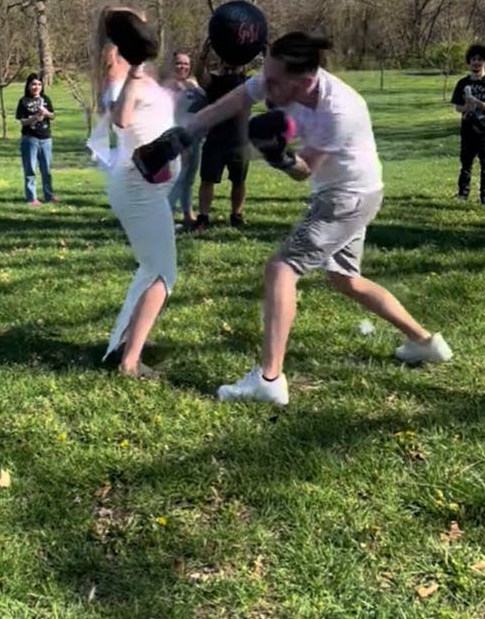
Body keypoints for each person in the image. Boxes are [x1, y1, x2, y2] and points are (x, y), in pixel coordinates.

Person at [181, 31, 452, 405]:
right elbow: (238, 97)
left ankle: (269, 379)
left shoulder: (338, 110)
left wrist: (279, 156)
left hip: (346, 197)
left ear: (304, 80)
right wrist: (187, 131)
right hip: (355, 192)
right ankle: (426, 343)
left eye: (274, 81)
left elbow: (304, 170)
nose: (266, 86)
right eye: (266, 75)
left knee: (282, 268)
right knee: (346, 280)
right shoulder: (279, 79)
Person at [94, 7, 179, 379]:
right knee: (163, 274)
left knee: (152, 268)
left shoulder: (142, 75)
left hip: (151, 185)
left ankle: (126, 345)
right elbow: (122, 119)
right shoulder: (120, 78)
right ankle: (130, 362)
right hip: (137, 183)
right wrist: (136, 70)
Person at [193, 54, 250, 231]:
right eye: (227, 62)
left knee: (239, 181)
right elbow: (199, 75)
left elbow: (269, 79)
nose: (230, 65)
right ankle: (203, 217)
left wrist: (266, 52)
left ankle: (236, 215)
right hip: (215, 139)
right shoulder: (214, 82)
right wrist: (202, 56)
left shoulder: (248, 83)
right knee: (207, 179)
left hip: (239, 140)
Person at [164, 51, 206, 229]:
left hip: (195, 138)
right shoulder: (167, 88)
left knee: (189, 179)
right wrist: (180, 145)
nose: (183, 67)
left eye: (186, 64)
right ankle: (166, 219)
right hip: (177, 140)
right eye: (179, 63)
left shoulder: (194, 85)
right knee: (176, 180)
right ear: (172, 65)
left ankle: (188, 214)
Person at [450, 43, 485, 203]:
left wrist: (477, 102)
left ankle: (484, 197)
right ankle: (463, 195)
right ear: (469, 62)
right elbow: (457, 106)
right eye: (473, 59)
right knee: (466, 164)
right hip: (467, 131)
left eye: (480, 59)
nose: (476, 62)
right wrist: (466, 106)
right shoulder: (462, 83)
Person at [15, 73, 57, 207]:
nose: (36, 87)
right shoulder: (23, 101)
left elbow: (52, 116)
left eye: (39, 84)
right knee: (30, 170)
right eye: (33, 84)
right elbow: (22, 122)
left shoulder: (46, 99)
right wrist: (35, 117)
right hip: (30, 139)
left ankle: (49, 196)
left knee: (47, 170)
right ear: (28, 86)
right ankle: (31, 198)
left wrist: (45, 112)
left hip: (46, 139)